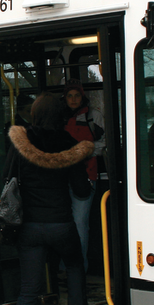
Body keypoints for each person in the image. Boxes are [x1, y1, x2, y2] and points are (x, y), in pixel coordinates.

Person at [8, 92, 94, 305]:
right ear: (61, 117)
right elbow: (81, 192)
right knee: (74, 266)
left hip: (29, 228)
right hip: (61, 225)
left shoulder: (20, 143)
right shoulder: (69, 145)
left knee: (28, 293)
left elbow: (8, 180)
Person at [61, 79, 104, 272]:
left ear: (82, 96)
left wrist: (79, 153)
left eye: (76, 95)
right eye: (69, 96)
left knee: (79, 223)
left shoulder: (94, 117)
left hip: (86, 175)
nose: (73, 99)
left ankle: (79, 269)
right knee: (64, 223)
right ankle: (64, 267)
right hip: (62, 177)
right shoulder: (60, 117)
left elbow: (103, 145)